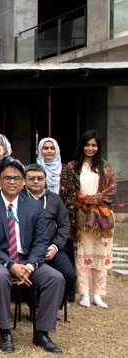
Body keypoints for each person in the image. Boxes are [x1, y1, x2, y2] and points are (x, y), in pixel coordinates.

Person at [0, 158, 65, 354]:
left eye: (16, 178)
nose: (12, 182)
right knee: (0, 277)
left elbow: (41, 239)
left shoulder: (33, 205)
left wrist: (31, 265)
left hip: (27, 260)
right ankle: (5, 332)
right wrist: (10, 264)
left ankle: (42, 333)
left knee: (56, 278)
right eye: (7, 178)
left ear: (23, 181)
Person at [60, 129, 116, 309]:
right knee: (82, 256)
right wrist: (84, 200)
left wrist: (90, 199)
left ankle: (98, 294)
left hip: (103, 218)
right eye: (87, 145)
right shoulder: (72, 167)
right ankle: (84, 293)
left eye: (94, 145)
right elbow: (69, 192)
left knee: (101, 256)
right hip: (81, 218)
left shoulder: (106, 167)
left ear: (98, 147)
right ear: (81, 146)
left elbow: (111, 190)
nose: (90, 148)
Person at [24, 164, 76, 303]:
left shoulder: (55, 199)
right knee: (34, 276)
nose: (36, 181)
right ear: (24, 180)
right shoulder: (19, 198)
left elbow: (64, 225)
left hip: (51, 248)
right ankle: (35, 306)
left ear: (45, 180)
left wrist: (55, 247)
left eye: (40, 178)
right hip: (27, 250)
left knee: (69, 274)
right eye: (32, 178)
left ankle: (56, 304)